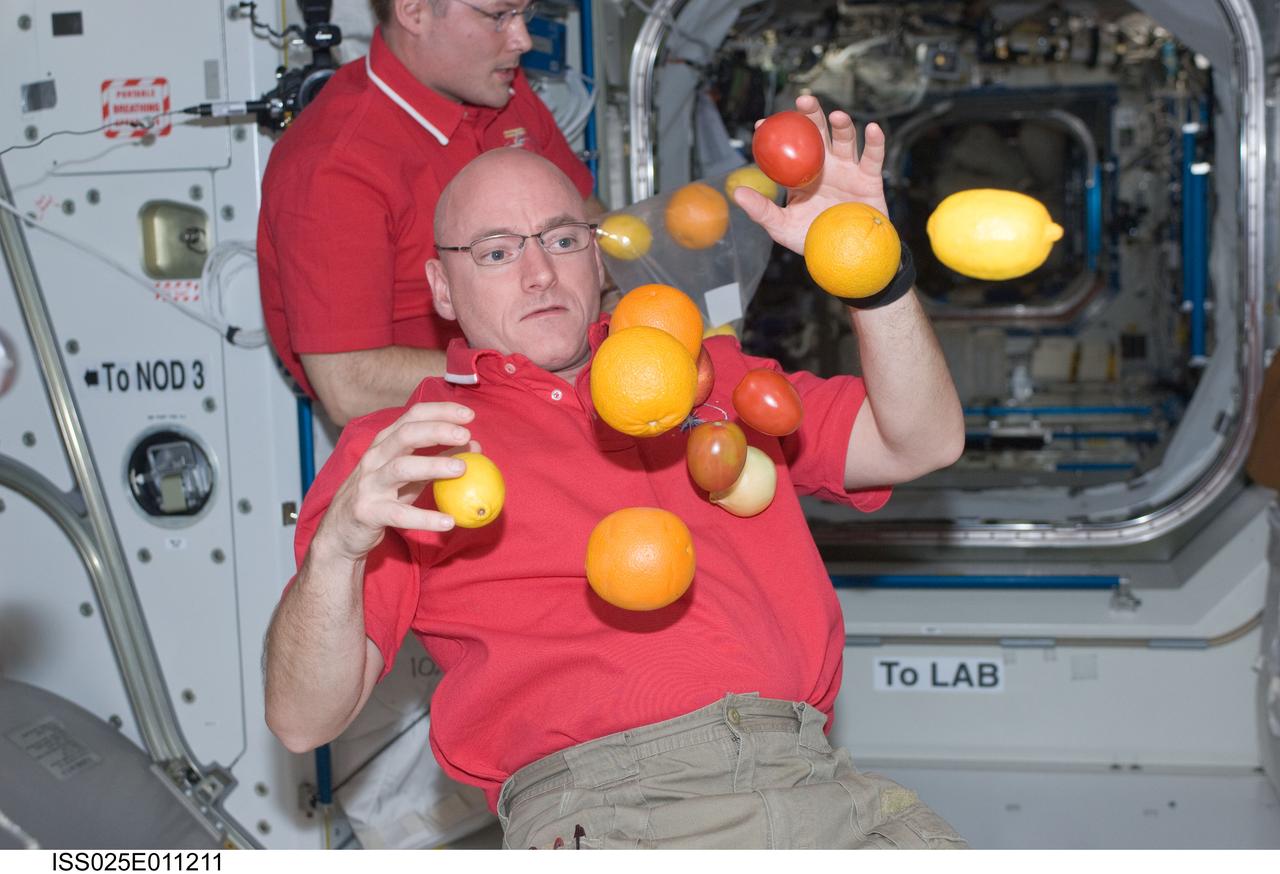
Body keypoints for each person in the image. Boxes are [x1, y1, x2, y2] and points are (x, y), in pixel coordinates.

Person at [263, 96, 969, 848]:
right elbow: (303, 719)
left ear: (598, 259)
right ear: (442, 288)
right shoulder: (414, 449)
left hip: (818, 782)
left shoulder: (710, 372)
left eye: (562, 240)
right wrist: (337, 551)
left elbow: (921, 441)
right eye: (498, 252)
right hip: (612, 808)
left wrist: (872, 266)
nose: (538, 274)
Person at [257, 0, 601, 425]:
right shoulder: (333, 164)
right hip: (450, 453)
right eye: (499, 16)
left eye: (524, 14)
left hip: (575, 408)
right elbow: (349, 384)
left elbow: (591, 227)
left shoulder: (499, 87)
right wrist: (538, 376)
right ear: (414, 11)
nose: (522, 40)